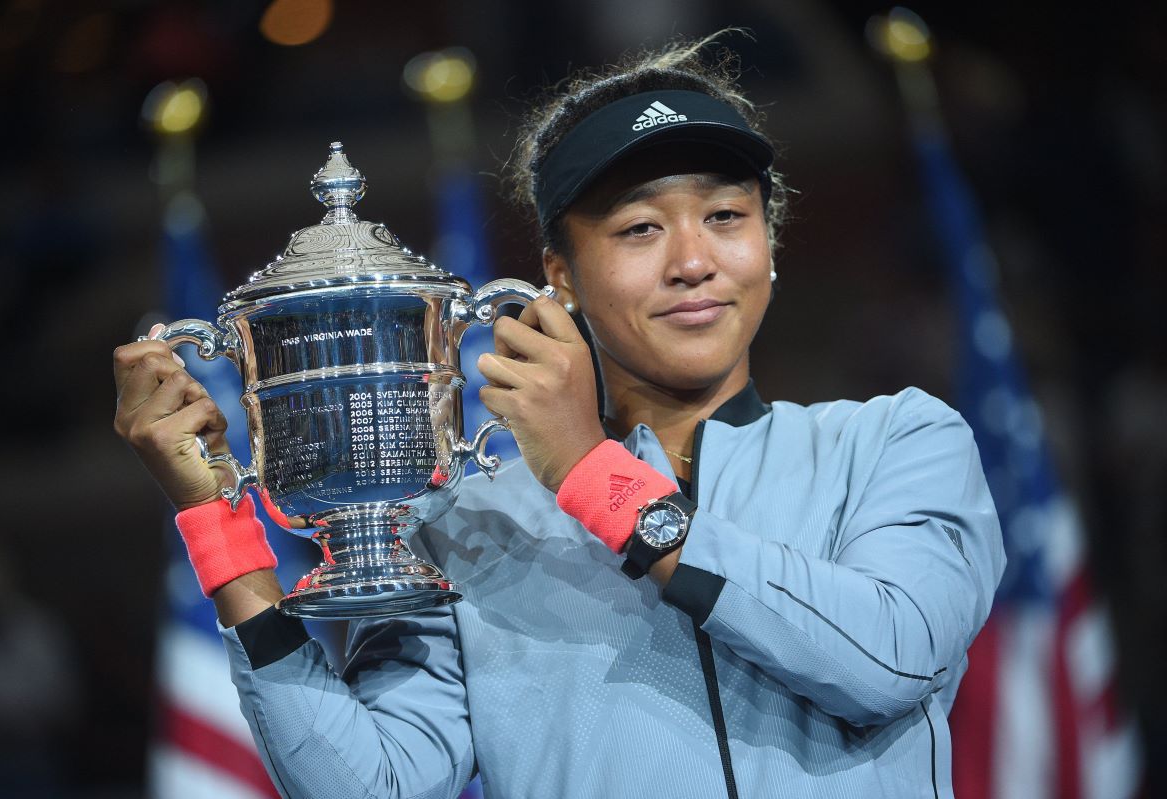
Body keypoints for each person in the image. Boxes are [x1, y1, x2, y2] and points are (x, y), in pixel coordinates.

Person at [114, 34, 1005, 799]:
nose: (694, 260)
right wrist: (219, 528)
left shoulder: (899, 441)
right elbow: (371, 782)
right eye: (639, 230)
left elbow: (890, 660)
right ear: (561, 275)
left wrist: (594, 475)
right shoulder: (469, 523)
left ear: (769, 248)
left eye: (727, 216)